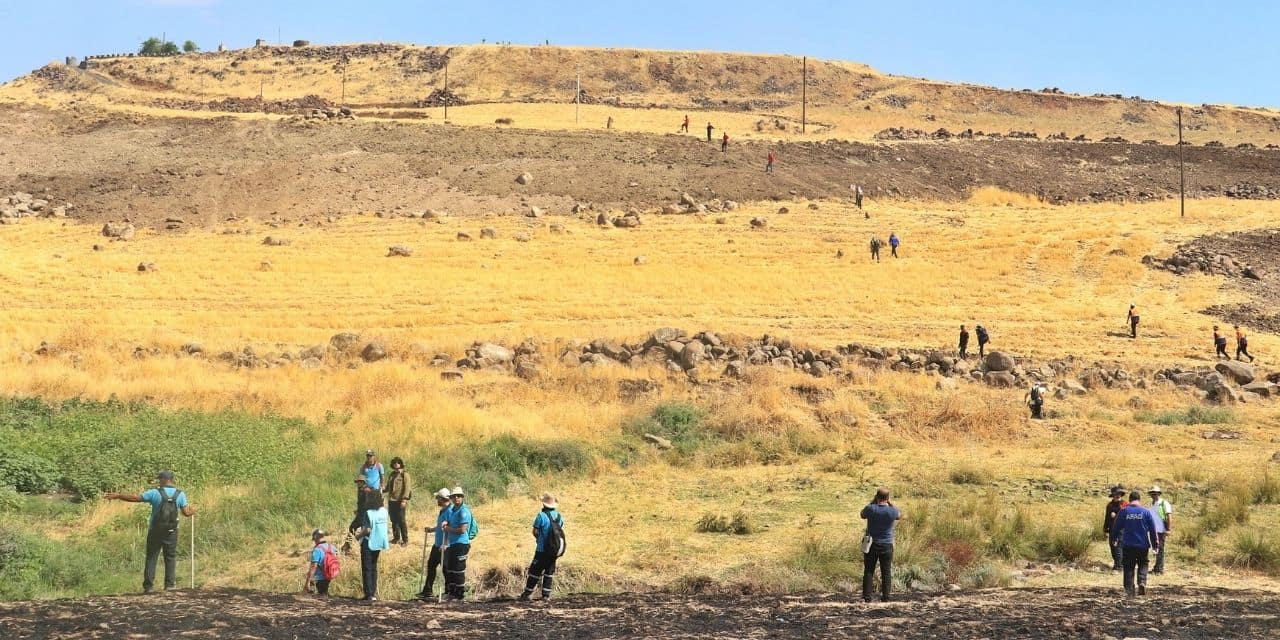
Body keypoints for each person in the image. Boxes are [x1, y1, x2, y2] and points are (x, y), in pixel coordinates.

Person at [105, 470, 196, 593]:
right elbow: (186, 513)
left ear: (164, 479)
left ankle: (148, 587)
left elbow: (136, 498)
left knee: (152, 557)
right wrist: (192, 511)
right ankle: (169, 586)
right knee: (170, 557)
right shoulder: (180, 494)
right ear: (171, 480)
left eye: (160, 479)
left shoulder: (155, 493)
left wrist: (119, 496)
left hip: (155, 530)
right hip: (172, 531)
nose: (159, 481)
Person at [1110, 490, 1160, 597]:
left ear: (1129, 500)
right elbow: (1152, 529)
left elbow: (1116, 527)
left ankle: (1129, 588)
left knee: (1128, 566)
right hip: (1142, 545)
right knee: (1143, 563)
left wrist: (1114, 539)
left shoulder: (1124, 511)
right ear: (1139, 500)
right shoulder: (1146, 512)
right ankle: (1142, 582)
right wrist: (1155, 545)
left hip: (1128, 544)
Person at [860, 487, 903, 603]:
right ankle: (886, 597)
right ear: (887, 498)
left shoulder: (871, 508)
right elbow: (899, 515)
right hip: (887, 544)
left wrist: (873, 502)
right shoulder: (892, 511)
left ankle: (867, 597)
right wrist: (890, 503)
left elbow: (862, 514)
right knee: (886, 571)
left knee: (869, 570)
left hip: (871, 544)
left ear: (877, 496)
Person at [520, 493, 565, 601]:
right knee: (549, 572)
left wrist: (538, 539)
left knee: (535, 571)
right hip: (554, 550)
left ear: (544, 504)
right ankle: (546, 595)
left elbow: (535, 531)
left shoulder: (541, 516)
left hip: (542, 549)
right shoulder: (559, 517)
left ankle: (527, 593)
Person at [350, 488, 390, 601]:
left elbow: (367, 529)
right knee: (373, 567)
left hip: (368, 541)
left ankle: (368, 594)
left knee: (367, 567)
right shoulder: (384, 511)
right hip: (379, 542)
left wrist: (358, 536)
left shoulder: (368, 513)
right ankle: (373, 592)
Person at [416, 488, 454, 600]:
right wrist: (432, 529)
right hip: (437, 544)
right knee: (431, 565)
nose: (436, 500)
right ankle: (427, 591)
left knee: (445, 569)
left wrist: (446, 543)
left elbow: (450, 528)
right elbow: (441, 526)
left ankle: (449, 592)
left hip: (445, 545)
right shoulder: (443, 510)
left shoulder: (450, 511)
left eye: (438, 498)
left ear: (442, 499)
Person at [441, 487, 476, 601]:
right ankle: (452, 593)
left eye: (459, 496)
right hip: (453, 543)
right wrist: (447, 523)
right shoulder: (453, 510)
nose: (456, 498)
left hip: (461, 543)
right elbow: (451, 522)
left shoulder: (463, 511)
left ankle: (459, 595)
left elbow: (462, 529)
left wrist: (447, 529)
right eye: (454, 496)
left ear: (462, 497)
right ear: (451, 498)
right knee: (450, 568)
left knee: (458, 569)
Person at [385, 457, 412, 546]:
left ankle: (405, 540)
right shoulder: (392, 474)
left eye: (398, 462)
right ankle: (396, 538)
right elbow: (388, 487)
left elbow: (407, 488)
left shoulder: (405, 475)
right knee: (393, 520)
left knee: (401, 520)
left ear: (401, 464)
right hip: (392, 500)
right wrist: (381, 490)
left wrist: (404, 500)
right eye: (394, 463)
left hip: (400, 501)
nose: (396, 464)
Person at [1147, 486, 1174, 574]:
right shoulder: (1151, 504)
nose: (1154, 495)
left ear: (1159, 494)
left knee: (1160, 549)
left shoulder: (1164, 503)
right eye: (1152, 493)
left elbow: (1169, 516)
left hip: (1161, 530)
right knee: (1156, 549)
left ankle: (1159, 569)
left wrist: (1168, 529)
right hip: (1153, 530)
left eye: (1155, 493)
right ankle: (1157, 567)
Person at [1102, 486, 1128, 571]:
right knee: (1113, 547)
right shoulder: (1109, 505)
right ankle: (1119, 563)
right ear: (1113, 495)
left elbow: (1127, 517)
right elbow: (1107, 518)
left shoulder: (1125, 504)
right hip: (1112, 529)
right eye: (1116, 494)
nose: (1118, 495)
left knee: (1118, 547)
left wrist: (1116, 516)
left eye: (1119, 494)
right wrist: (1105, 530)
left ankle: (1118, 566)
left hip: (1122, 530)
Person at [305, 529, 338, 595]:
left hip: (319, 577)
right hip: (329, 575)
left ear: (315, 538)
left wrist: (308, 581)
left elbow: (313, 566)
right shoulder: (332, 547)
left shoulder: (317, 550)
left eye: (314, 540)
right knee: (325, 593)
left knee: (321, 596)